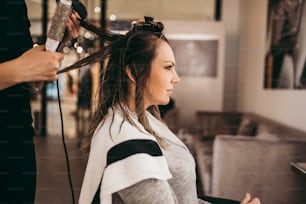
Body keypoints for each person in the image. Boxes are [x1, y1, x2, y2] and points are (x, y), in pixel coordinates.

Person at [66, 17, 260, 204]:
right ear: (134, 72)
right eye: (168, 67)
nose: (176, 78)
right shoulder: (129, 145)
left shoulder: (144, 121)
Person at [0, 0, 81, 203]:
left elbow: (28, 83)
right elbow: (18, 70)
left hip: (18, 143)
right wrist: (18, 69)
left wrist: (57, 44)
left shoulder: (16, 5)